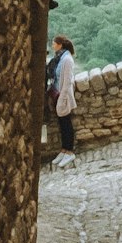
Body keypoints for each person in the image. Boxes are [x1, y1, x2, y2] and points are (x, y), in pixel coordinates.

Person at [48, 35, 77, 166]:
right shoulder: (60, 58)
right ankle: (64, 150)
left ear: (60, 45)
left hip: (63, 96)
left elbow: (67, 82)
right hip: (58, 94)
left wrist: (62, 99)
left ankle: (70, 152)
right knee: (62, 123)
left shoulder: (67, 60)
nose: (52, 46)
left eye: (54, 44)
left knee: (66, 124)